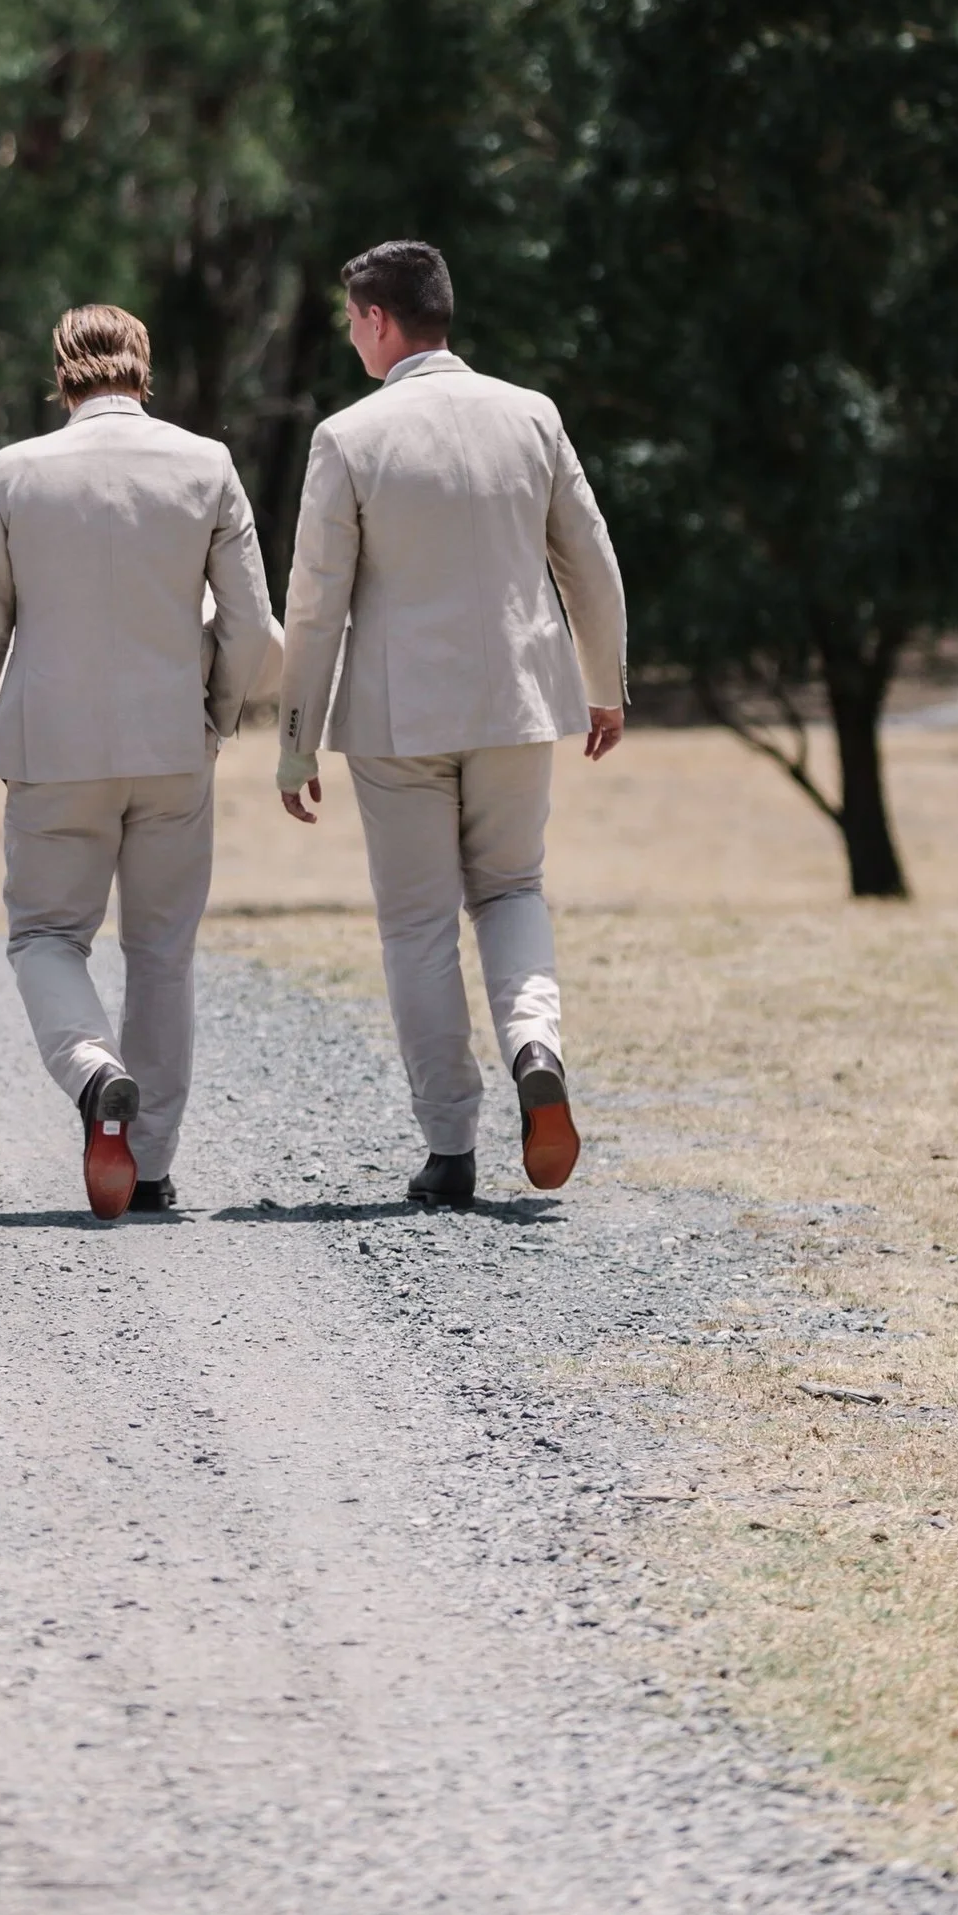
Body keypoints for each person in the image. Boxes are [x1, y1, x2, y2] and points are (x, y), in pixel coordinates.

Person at [277, 240, 626, 1208]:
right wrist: (604, 683)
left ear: (380, 321)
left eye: (352, 321)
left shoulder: (348, 439)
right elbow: (587, 561)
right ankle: (534, 1049)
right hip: (518, 702)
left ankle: (449, 1147)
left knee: (418, 926)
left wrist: (296, 735)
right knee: (513, 892)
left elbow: (314, 602)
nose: (351, 338)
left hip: (397, 720)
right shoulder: (532, 416)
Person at [0, 303, 279, 1220]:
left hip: (52, 751)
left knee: (46, 937)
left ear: (62, 375)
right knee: (163, 954)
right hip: (173, 747)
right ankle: (153, 1163)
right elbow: (252, 625)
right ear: (144, 369)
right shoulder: (207, 464)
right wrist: (214, 713)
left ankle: (94, 1074)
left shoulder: (9, 474)